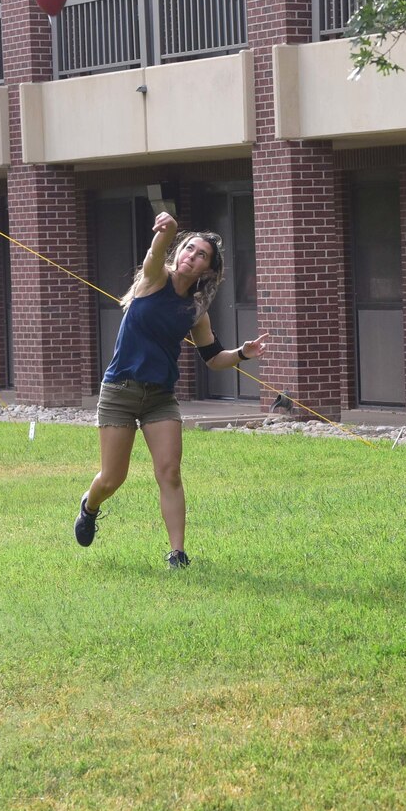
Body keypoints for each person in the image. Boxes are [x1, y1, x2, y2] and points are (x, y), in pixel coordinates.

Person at [72, 212, 270, 569]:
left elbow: (212, 357)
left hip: (159, 398)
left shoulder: (196, 312)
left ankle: (177, 554)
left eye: (200, 255)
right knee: (113, 478)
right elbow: (154, 250)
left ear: (207, 271)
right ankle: (90, 505)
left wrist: (242, 353)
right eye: (188, 248)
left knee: (170, 472)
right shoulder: (153, 279)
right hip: (120, 391)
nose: (190, 256)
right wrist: (169, 231)